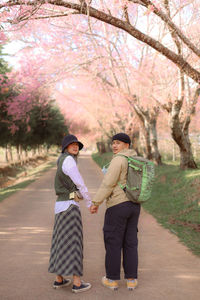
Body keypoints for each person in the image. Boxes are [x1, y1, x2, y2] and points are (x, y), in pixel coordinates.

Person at [90, 133, 141, 291]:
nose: (114, 146)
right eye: (113, 143)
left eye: (118, 143)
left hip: (118, 205)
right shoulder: (137, 158)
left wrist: (96, 202)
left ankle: (111, 279)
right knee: (130, 242)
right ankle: (131, 280)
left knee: (113, 242)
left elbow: (108, 183)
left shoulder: (118, 159)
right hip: (134, 205)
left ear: (127, 145)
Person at [48, 134, 92, 293]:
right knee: (74, 243)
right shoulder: (69, 161)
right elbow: (80, 183)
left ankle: (59, 279)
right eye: (72, 144)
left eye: (77, 145)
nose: (75, 146)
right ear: (65, 146)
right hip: (69, 206)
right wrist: (89, 202)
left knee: (60, 241)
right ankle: (77, 283)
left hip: (60, 205)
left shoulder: (60, 159)